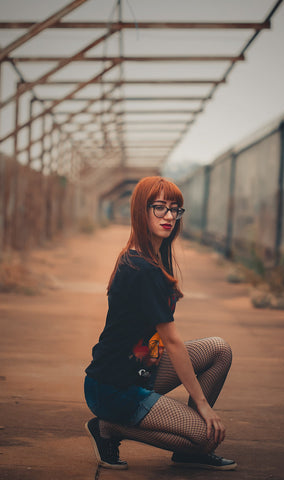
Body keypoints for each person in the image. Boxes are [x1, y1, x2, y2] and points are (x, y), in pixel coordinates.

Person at [84, 176, 236, 471]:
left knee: (219, 350)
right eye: (159, 208)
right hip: (114, 388)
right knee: (206, 438)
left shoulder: (149, 259)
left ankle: (190, 446)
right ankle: (107, 428)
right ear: (142, 210)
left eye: (175, 209)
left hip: (138, 369)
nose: (169, 216)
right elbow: (173, 341)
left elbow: (143, 333)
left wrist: (148, 357)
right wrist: (202, 404)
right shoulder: (141, 268)